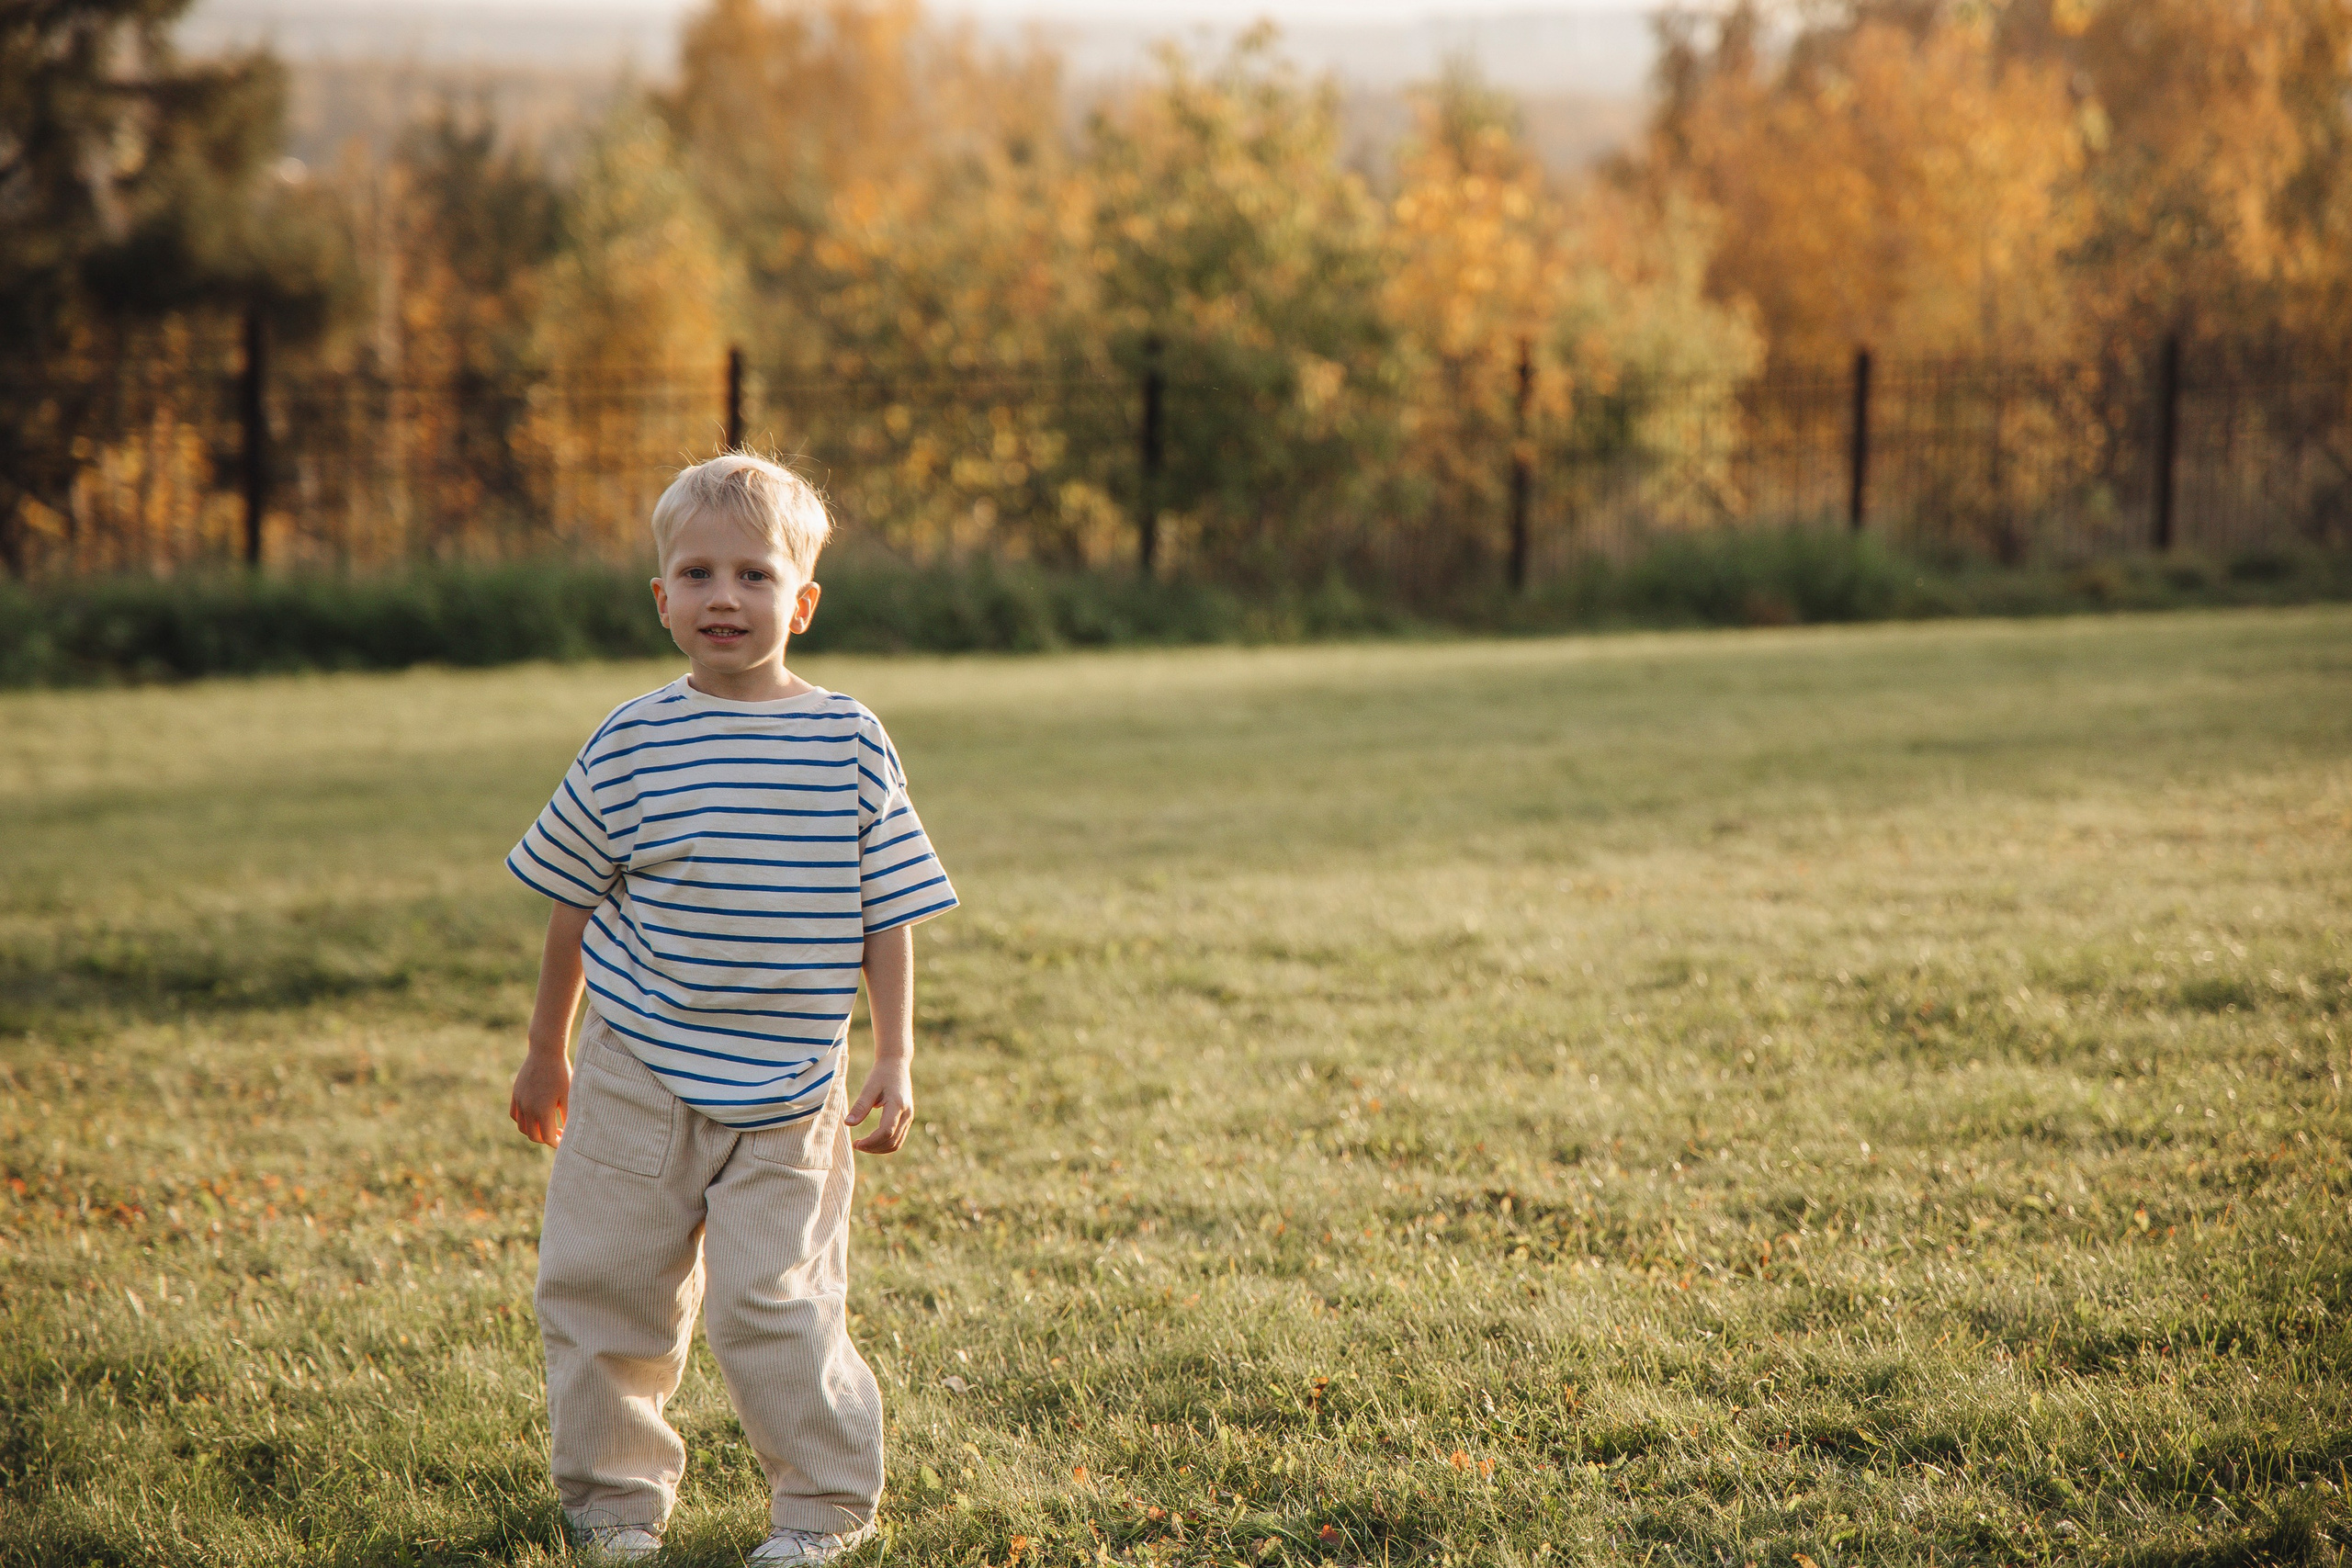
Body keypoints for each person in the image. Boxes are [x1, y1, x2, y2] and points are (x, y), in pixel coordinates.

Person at [503, 452, 956, 1563]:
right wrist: (546, 1055)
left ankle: (820, 1510)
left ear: (801, 601)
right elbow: (570, 906)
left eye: (754, 575)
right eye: (696, 574)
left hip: (790, 1085)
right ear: (661, 599)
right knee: (604, 1287)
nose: (723, 597)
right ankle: (612, 1509)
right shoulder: (631, 740)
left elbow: (883, 909)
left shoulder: (847, 738)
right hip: (635, 1069)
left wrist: (894, 1055)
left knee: (779, 1305)